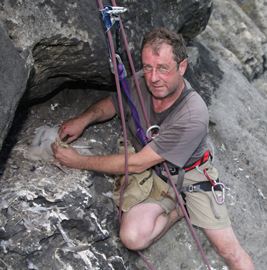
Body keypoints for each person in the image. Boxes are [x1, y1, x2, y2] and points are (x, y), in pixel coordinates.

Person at [51, 27, 255, 270]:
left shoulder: (192, 114)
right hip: (154, 168)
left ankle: (186, 203)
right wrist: (84, 119)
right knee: (132, 237)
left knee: (228, 251)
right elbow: (114, 103)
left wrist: (78, 161)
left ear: (182, 67)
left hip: (189, 173)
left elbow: (137, 162)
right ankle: (179, 210)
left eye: (163, 68)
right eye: (148, 67)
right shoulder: (142, 82)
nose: (154, 77)